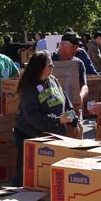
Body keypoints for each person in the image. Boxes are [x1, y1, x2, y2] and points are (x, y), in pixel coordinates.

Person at [11, 51, 77, 185]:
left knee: (47, 178)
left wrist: (74, 120)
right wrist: (58, 120)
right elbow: (33, 117)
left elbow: (66, 103)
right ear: (40, 67)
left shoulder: (53, 81)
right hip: (30, 136)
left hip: (54, 136)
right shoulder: (30, 87)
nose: (52, 68)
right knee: (26, 177)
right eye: (50, 65)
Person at [54, 33, 93, 110]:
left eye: (77, 47)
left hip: (74, 108)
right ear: (62, 44)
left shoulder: (78, 63)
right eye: (72, 47)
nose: (75, 50)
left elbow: (84, 86)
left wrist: (80, 97)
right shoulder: (50, 60)